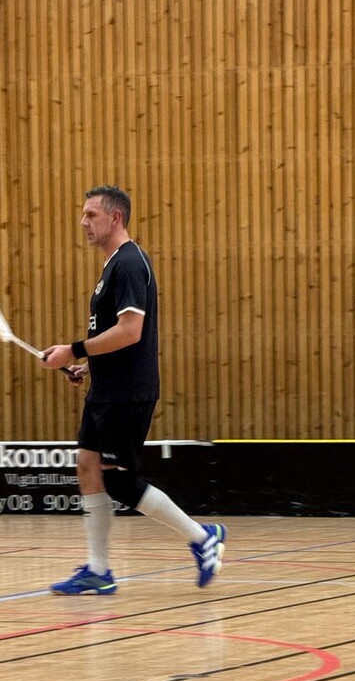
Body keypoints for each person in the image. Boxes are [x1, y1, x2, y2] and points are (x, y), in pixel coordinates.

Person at [41, 185, 226, 595]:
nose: (83, 222)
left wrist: (72, 349)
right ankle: (98, 570)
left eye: (91, 215)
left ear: (116, 218)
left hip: (127, 392)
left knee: (120, 483)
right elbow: (114, 336)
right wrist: (87, 365)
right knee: (87, 466)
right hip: (107, 388)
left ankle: (202, 536)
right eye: (83, 214)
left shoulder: (128, 263)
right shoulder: (111, 266)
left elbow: (130, 331)